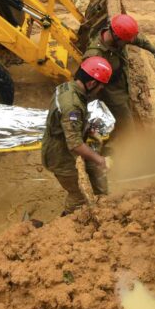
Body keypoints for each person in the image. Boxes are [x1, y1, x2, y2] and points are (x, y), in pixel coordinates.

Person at [41, 56, 113, 213]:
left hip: (61, 143)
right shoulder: (72, 106)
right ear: (92, 83)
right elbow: (75, 144)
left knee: (93, 179)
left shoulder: (68, 87)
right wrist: (101, 160)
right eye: (100, 87)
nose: (100, 90)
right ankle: (66, 226)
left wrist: (87, 128)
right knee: (79, 196)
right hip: (60, 155)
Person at [83, 14, 155, 133]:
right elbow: (86, 86)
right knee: (128, 130)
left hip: (124, 87)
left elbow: (137, 39)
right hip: (113, 97)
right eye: (127, 40)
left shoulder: (117, 38)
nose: (130, 42)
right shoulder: (95, 55)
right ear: (116, 36)